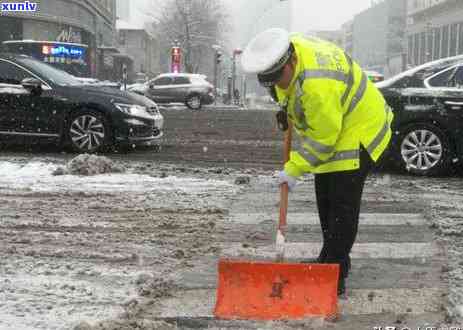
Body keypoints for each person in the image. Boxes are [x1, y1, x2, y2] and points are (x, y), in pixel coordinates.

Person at [241, 28, 394, 296]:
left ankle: (334, 275)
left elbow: (325, 139)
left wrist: (294, 168)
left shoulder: (317, 86)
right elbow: (290, 92)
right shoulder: (289, 50)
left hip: (360, 129)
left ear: (290, 62)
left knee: (341, 208)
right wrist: (286, 108)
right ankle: (328, 261)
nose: (279, 85)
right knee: (325, 198)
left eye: (280, 79)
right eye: (271, 83)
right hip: (338, 119)